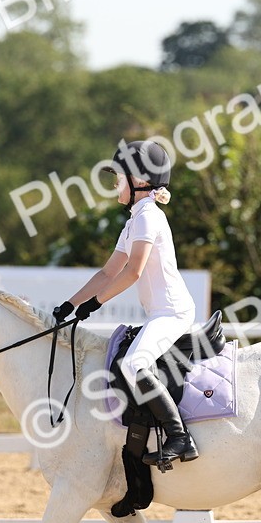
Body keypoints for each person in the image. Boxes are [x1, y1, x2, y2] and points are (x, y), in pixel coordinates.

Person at [53, 139, 199, 469]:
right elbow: (109, 271)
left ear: (139, 181)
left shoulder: (149, 217)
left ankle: (180, 437)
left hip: (173, 312)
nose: (115, 184)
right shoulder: (134, 220)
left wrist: (94, 305)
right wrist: (69, 304)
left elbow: (133, 271)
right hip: (159, 312)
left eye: (119, 177)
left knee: (134, 365)